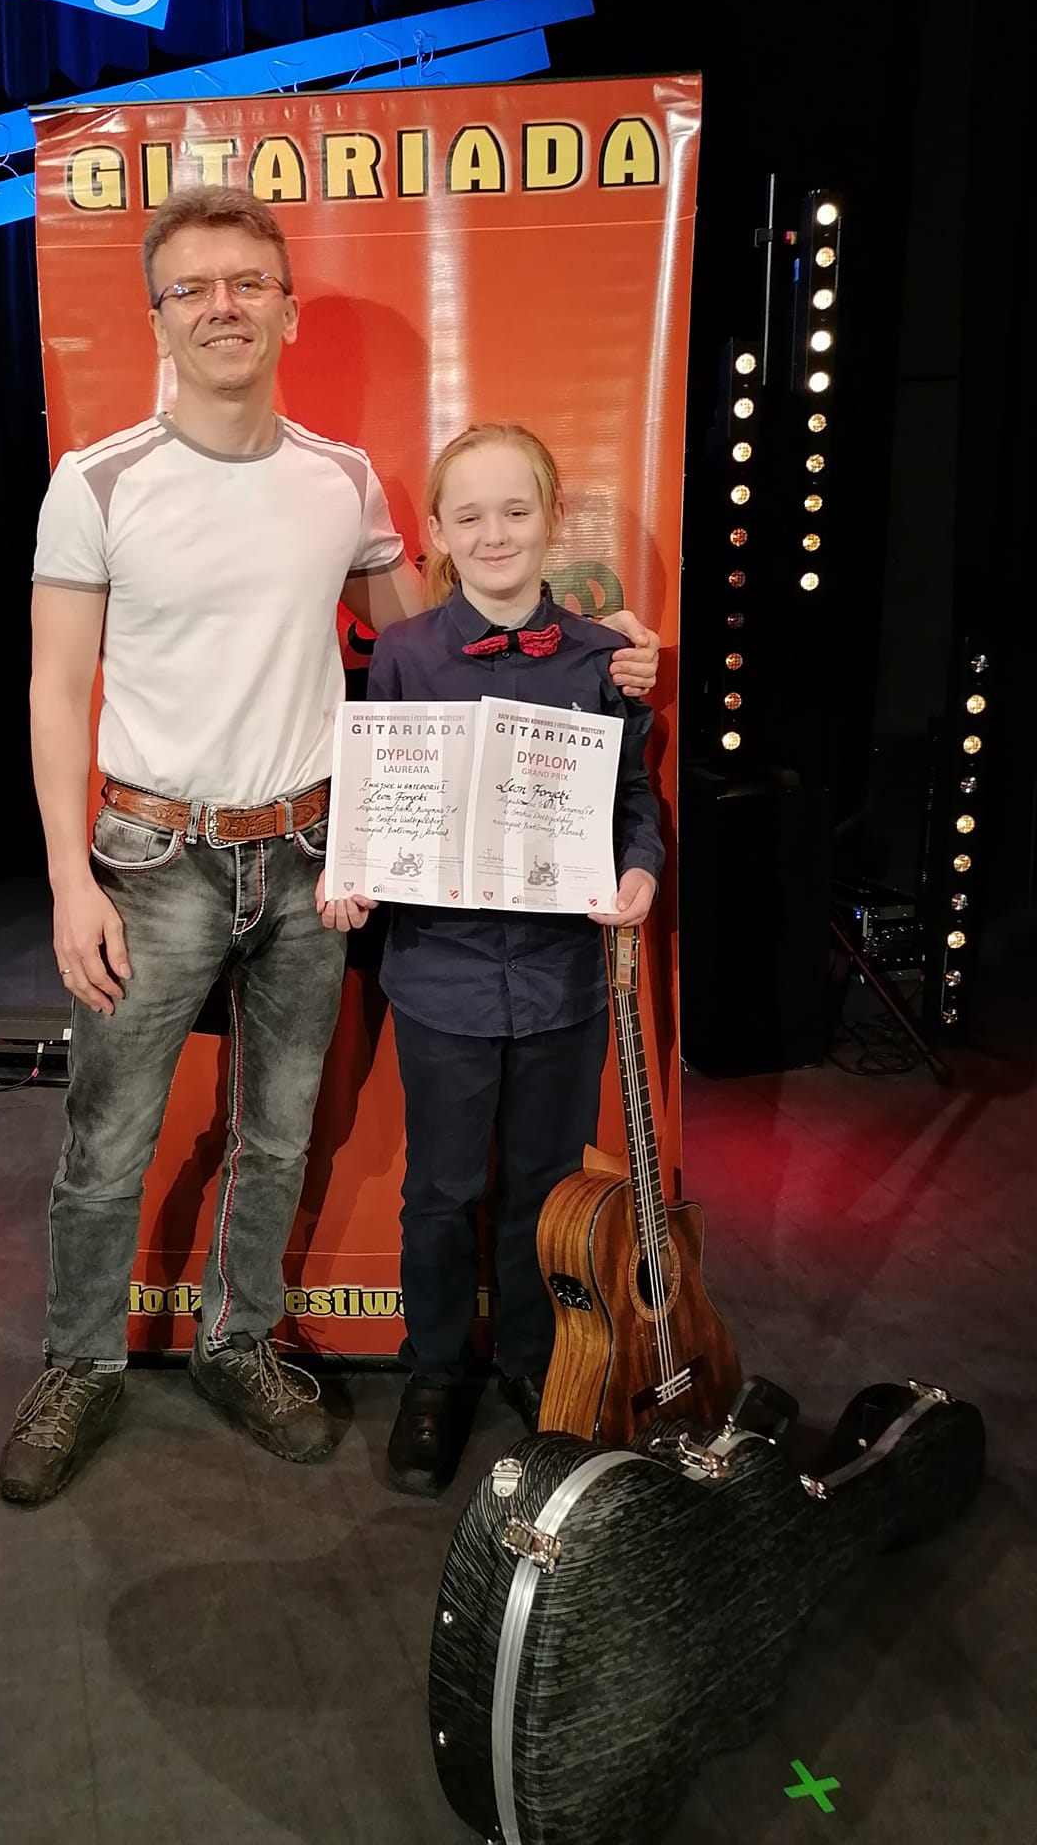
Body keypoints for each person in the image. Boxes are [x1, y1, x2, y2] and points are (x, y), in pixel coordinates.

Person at [0, 188, 659, 1508]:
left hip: (313, 858)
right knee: (108, 1138)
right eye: (194, 288)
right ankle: (79, 1362)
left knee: (279, 1132)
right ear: (158, 319)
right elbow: (54, 687)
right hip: (152, 854)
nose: (224, 307)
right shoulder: (98, 481)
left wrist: (607, 648)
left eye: (248, 283)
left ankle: (238, 1341)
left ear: (288, 310)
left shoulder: (341, 480)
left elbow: (440, 658)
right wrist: (71, 877)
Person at [354, 421, 664, 1497]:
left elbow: (633, 801)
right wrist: (354, 871)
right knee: (440, 1189)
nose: (496, 534)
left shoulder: (603, 657)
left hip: (562, 975)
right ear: (438, 533)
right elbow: (373, 800)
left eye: (517, 511)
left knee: (544, 1187)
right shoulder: (403, 655)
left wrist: (641, 870)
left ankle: (536, 1362)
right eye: (471, 515)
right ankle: (436, 1371)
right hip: (440, 975)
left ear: (551, 518)